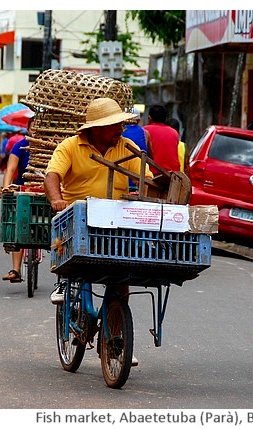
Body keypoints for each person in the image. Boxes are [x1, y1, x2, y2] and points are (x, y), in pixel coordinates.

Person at [44, 98, 153, 366]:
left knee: (121, 276)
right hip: (77, 218)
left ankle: (115, 339)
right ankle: (64, 284)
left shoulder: (127, 147)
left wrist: (148, 195)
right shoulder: (70, 146)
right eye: (113, 125)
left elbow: (146, 177)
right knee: (74, 264)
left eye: (120, 124)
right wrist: (57, 200)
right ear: (95, 128)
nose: (120, 129)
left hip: (115, 222)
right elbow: (52, 176)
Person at [0, 118, 33, 282]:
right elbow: (11, 168)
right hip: (22, 190)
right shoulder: (19, 146)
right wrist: (6, 187)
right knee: (17, 225)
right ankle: (16, 269)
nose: (36, 131)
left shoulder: (54, 147)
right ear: (28, 129)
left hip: (45, 190)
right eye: (33, 127)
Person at [144, 105, 180, 174]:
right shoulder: (174, 132)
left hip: (152, 173)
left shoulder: (145, 131)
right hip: (173, 174)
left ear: (149, 118)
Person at [122, 107, 152, 190]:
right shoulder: (145, 133)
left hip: (123, 180)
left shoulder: (119, 132)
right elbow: (150, 156)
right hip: (139, 180)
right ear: (139, 121)